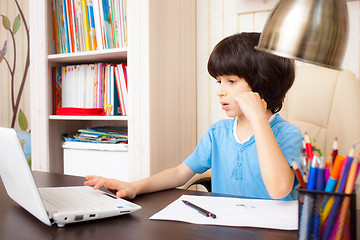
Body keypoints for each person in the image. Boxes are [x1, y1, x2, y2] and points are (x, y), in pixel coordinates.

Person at [84, 32, 303, 201]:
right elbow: (180, 173)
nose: (220, 91)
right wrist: (134, 186)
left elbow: (279, 189)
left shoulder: (289, 135)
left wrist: (257, 119)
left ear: (263, 83)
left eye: (232, 81)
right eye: (219, 81)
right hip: (226, 227)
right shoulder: (218, 133)